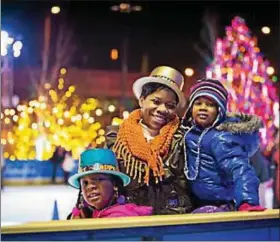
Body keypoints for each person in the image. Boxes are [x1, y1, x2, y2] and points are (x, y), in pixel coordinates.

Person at [105, 66, 193, 215]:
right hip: (130, 224)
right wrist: (82, 209)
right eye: (156, 101)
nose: (162, 109)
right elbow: (99, 179)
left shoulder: (184, 139)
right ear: (142, 100)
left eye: (170, 105)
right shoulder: (117, 139)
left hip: (172, 224)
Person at [182, 78, 265, 213]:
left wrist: (247, 202)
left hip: (219, 204)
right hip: (196, 201)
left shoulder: (221, 138)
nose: (203, 107)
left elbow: (240, 169)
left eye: (210, 104)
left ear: (219, 110)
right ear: (191, 108)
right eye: (198, 103)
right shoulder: (190, 133)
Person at [67, 148, 153, 219]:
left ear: (115, 184)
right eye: (85, 183)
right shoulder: (88, 213)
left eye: (99, 179)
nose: (90, 186)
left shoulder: (121, 218)